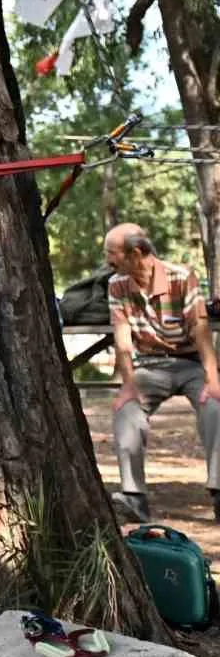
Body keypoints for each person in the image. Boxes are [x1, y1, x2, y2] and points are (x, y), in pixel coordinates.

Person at [105, 223, 220, 523]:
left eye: (112, 253)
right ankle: (134, 498)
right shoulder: (116, 284)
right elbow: (122, 335)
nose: (107, 261)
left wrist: (213, 376)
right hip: (150, 366)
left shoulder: (181, 276)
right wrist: (128, 383)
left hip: (190, 362)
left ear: (136, 253)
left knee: (216, 407)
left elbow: (200, 328)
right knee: (126, 411)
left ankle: (219, 491)